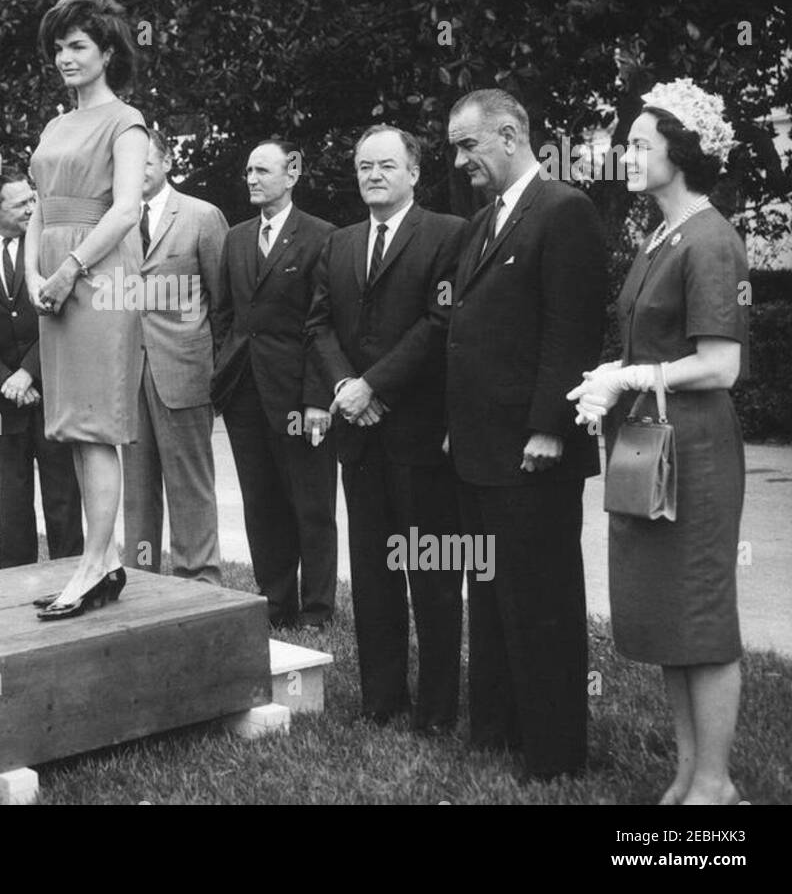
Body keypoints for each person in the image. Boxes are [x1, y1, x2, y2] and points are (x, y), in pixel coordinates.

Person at [567, 79, 746, 805]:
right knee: (671, 615)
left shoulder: (712, 238)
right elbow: (655, 341)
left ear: (683, 149)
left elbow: (721, 365)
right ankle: (687, 771)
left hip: (696, 451)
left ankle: (717, 779)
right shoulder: (662, 235)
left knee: (701, 613)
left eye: (642, 143)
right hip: (654, 443)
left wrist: (633, 373)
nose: (627, 154)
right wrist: (614, 371)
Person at [445, 88, 606, 778]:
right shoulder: (485, 221)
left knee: (542, 599)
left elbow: (570, 327)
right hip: (483, 451)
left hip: (533, 451)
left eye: (468, 144)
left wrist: (550, 428)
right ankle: (499, 731)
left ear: (510, 135)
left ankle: (555, 752)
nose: (459, 160)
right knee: (492, 593)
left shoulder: (565, 210)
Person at [307, 125, 467, 729]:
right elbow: (317, 325)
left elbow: (439, 322)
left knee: (430, 573)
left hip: (420, 433)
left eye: (386, 166)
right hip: (360, 433)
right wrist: (349, 388)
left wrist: (376, 385)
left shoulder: (447, 235)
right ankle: (381, 699)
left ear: (414, 174)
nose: (373, 175)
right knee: (373, 572)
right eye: (364, 165)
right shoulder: (340, 243)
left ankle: (436, 709)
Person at [25, 0, 149, 619]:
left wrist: (71, 268)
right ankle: (104, 561)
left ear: (106, 51)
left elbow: (126, 210)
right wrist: (32, 272)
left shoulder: (125, 121)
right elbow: (38, 207)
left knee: (96, 426)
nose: (64, 57)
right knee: (73, 424)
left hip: (98, 277)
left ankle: (95, 564)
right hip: (54, 280)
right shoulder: (54, 125)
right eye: (58, 48)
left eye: (77, 46)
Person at [211, 140, 336, 630]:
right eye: (248, 171)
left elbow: (324, 324)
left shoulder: (322, 237)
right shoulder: (237, 238)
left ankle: (318, 609)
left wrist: (315, 400)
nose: (252, 179)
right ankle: (276, 602)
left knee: (311, 502)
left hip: (298, 397)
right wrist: (226, 371)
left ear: (293, 172)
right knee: (261, 503)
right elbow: (226, 316)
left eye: (263, 170)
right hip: (245, 393)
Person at [0, 165, 82, 569]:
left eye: (33, 199)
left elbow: (66, 315)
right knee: (11, 499)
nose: (31, 208)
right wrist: (7, 381)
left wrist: (29, 371)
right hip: (0, 402)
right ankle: (15, 585)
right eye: (21, 202)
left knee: (62, 495)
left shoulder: (50, 248)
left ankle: (72, 576)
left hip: (51, 390)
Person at [122, 130, 228, 584]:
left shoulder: (202, 217)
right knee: (137, 488)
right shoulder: (117, 219)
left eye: (146, 162)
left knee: (190, 484)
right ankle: (140, 577)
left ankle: (199, 579)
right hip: (129, 371)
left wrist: (220, 376)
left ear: (167, 162)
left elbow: (224, 303)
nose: (137, 171)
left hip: (184, 370)